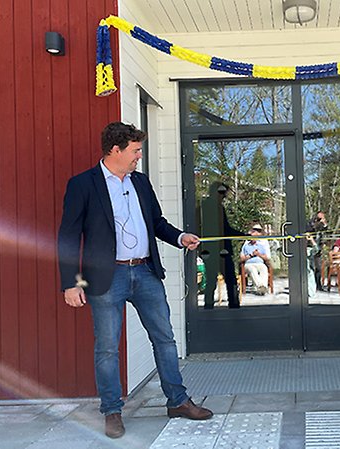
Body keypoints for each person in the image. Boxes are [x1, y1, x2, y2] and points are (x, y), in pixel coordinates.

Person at [57, 122, 213, 439]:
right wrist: (70, 282)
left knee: (165, 340)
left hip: (145, 272)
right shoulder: (83, 185)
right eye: (135, 150)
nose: (139, 156)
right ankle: (112, 411)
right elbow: (69, 236)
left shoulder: (140, 182)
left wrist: (180, 236)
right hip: (106, 276)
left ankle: (178, 401)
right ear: (115, 150)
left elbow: (156, 223)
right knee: (107, 349)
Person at [201, 182, 245, 308]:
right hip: (213, 250)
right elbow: (223, 229)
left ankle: (215, 306)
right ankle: (228, 306)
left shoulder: (217, 207)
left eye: (224, 194)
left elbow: (225, 229)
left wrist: (243, 235)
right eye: (222, 193)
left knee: (223, 279)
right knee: (220, 280)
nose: (223, 196)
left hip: (219, 250)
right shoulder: (207, 206)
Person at [240, 224, 271, 295]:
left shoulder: (261, 245)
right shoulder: (246, 246)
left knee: (264, 269)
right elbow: (241, 258)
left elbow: (266, 257)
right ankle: (260, 286)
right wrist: (251, 255)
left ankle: (263, 287)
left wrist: (258, 254)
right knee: (252, 270)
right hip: (249, 264)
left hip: (260, 263)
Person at [306, 211, 328, 290]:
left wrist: (325, 225)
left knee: (318, 267)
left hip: (318, 247)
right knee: (311, 267)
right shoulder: (311, 223)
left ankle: (318, 285)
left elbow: (325, 232)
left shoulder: (322, 224)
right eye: (320, 215)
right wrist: (320, 224)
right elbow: (311, 229)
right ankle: (311, 285)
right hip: (310, 246)